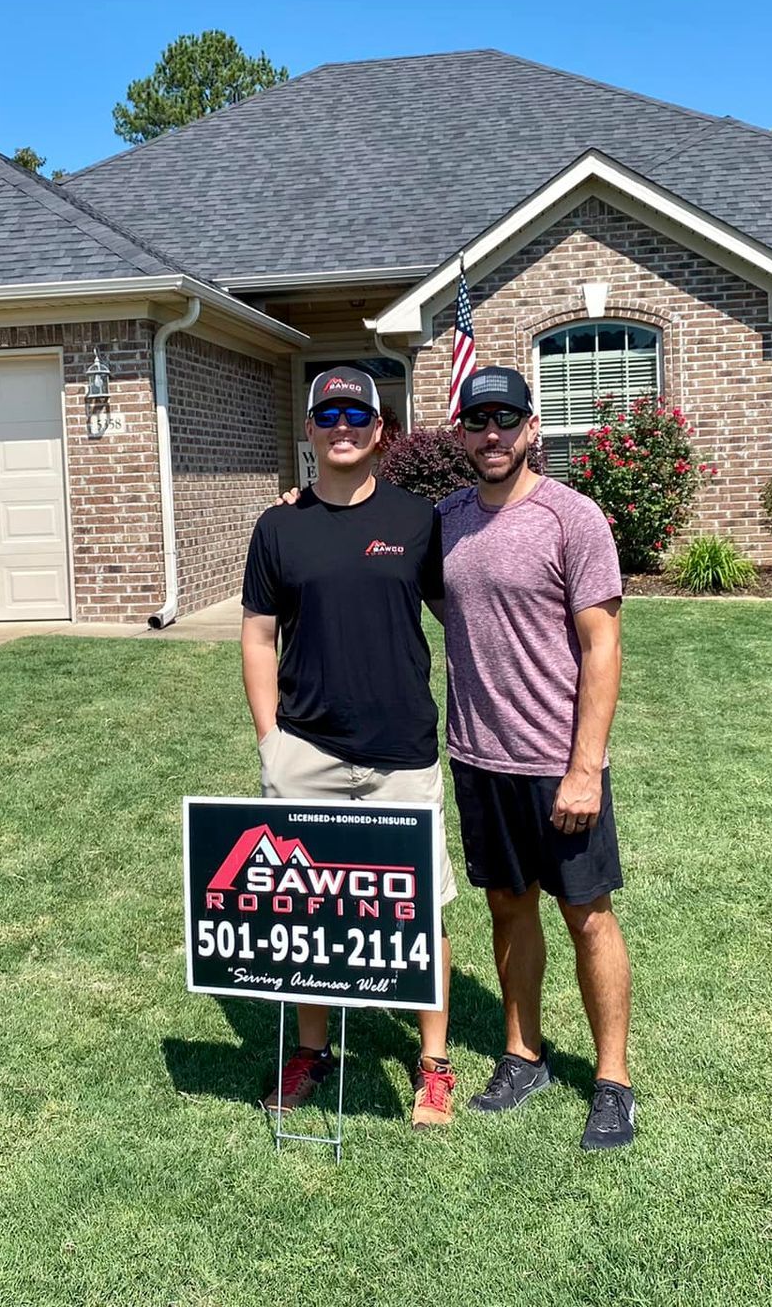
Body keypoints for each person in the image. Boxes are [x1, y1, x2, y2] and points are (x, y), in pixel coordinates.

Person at [239, 367, 459, 1128]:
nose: (342, 426)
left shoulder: (419, 520)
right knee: (306, 909)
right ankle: (311, 1050)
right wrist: (271, 738)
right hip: (307, 752)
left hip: (402, 751)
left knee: (419, 911)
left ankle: (433, 1064)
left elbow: (458, 614)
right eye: (327, 413)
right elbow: (259, 636)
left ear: (379, 429)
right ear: (309, 428)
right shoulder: (278, 528)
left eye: (356, 414)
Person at [437, 365, 636, 1150]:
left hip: (559, 760)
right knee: (507, 905)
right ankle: (524, 1055)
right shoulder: (446, 521)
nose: (491, 433)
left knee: (587, 915)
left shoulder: (571, 519)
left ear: (531, 429)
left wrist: (586, 766)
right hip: (479, 758)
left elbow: (603, 644)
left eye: (505, 419)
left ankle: (614, 1080)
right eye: (477, 420)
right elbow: (373, 554)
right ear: (464, 432)